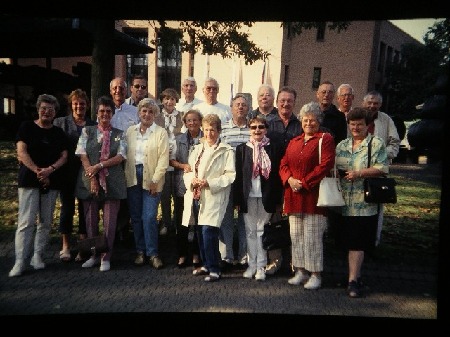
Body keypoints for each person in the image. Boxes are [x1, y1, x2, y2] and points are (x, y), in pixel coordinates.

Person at [9, 94, 69, 277]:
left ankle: (37, 256)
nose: (47, 112)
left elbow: (64, 156)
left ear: (55, 112)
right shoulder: (27, 127)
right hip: (29, 180)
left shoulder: (58, 133)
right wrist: (37, 171)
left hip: (51, 181)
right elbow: (21, 152)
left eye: (51, 109)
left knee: (45, 221)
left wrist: (49, 170)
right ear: (38, 109)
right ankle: (20, 261)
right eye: (43, 108)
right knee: (26, 222)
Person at [279, 102, 335, 290]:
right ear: (301, 121)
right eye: (305, 119)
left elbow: (325, 165)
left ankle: (316, 274)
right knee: (296, 236)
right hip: (293, 196)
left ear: (319, 121)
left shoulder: (324, 139)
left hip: (313, 197)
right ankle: (300, 271)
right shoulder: (294, 141)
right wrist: (290, 180)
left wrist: (303, 182)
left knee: (312, 237)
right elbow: (283, 164)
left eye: (313, 119)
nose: (309, 123)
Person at [335, 107, 389, 298]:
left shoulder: (376, 144)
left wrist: (359, 173)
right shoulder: (341, 145)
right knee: (347, 241)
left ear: (368, 125)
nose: (356, 127)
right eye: (352, 124)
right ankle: (352, 276)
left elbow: (382, 168)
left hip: (364, 203)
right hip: (342, 203)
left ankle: (353, 281)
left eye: (360, 124)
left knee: (357, 243)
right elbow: (335, 168)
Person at [75, 96, 127, 272]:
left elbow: (120, 156)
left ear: (112, 114)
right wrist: (92, 176)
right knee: (90, 220)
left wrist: (100, 166)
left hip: (113, 181)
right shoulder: (87, 131)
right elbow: (82, 154)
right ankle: (93, 255)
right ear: (96, 113)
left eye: (108, 111)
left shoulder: (120, 134)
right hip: (89, 181)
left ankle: (106, 257)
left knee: (109, 222)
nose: (105, 114)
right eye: (102, 111)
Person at [181, 114, 236, 282]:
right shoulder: (198, 149)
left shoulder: (226, 150)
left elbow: (230, 176)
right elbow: (188, 171)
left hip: (214, 196)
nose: (209, 133)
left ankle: (215, 269)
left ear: (219, 130)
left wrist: (209, 183)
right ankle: (205, 264)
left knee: (209, 232)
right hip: (196, 196)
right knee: (198, 231)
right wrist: (193, 181)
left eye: (212, 129)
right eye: (206, 130)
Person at [234, 115, 284, 281]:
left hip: (266, 196)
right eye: (254, 127)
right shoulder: (242, 149)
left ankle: (261, 266)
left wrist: (278, 201)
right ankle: (251, 264)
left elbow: (277, 176)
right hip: (248, 195)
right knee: (249, 231)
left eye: (261, 127)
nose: (257, 130)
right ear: (249, 129)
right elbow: (239, 176)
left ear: (266, 129)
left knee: (262, 230)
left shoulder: (274, 147)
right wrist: (237, 200)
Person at [124, 98, 169, 269]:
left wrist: (155, 181)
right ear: (139, 112)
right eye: (144, 111)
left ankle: (153, 253)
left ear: (155, 114)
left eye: (151, 111)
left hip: (152, 178)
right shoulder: (130, 131)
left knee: (149, 217)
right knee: (136, 217)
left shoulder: (160, 133)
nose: (147, 114)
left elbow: (164, 160)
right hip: (133, 176)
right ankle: (140, 251)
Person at [53, 89, 96, 262]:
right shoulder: (61, 123)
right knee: (67, 208)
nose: (79, 106)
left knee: (84, 209)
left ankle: (82, 247)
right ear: (71, 105)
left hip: (85, 172)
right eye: (76, 103)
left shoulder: (92, 125)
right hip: (67, 172)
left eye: (82, 104)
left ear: (87, 106)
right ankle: (65, 246)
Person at [265, 86, 302, 275]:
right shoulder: (268, 123)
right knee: (274, 221)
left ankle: (296, 262)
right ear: (277, 102)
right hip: (274, 181)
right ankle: (275, 260)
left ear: (294, 102)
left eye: (289, 100)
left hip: (296, 182)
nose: (285, 104)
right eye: (282, 100)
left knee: (296, 223)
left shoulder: (301, 124)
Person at [362, 90, 401, 246]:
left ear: (380, 104)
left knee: (376, 207)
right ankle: (355, 241)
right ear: (363, 103)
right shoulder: (356, 117)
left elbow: (395, 142)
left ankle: (373, 241)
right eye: (369, 102)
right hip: (357, 170)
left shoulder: (386, 120)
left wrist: (383, 154)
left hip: (378, 172)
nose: (372, 106)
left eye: (376, 103)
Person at [219, 94, 251, 270]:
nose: (240, 107)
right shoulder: (223, 129)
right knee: (226, 218)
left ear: (248, 109)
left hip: (246, 181)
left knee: (244, 219)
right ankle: (227, 256)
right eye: (237, 104)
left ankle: (244, 256)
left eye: (244, 105)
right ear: (231, 108)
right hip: (227, 180)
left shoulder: (253, 129)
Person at [169, 109, 203, 268]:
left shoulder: (206, 138)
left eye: (195, 120)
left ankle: (196, 253)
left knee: (198, 221)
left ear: (200, 121)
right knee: (181, 221)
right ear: (185, 123)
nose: (192, 123)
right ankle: (182, 254)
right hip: (183, 185)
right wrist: (183, 166)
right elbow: (171, 160)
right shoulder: (178, 139)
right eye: (189, 120)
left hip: (201, 186)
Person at [109, 77, 139, 243]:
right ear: (111, 90)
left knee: (127, 195)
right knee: (113, 195)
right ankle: (112, 232)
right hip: (110, 159)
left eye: (121, 88)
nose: (118, 91)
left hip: (129, 159)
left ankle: (124, 230)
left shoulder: (134, 112)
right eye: (115, 88)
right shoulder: (105, 110)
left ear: (126, 90)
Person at [154, 88, 184, 236]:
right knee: (165, 195)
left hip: (178, 159)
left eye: (172, 99)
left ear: (176, 101)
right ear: (162, 100)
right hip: (164, 161)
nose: (169, 101)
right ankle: (166, 223)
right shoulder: (157, 117)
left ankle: (179, 224)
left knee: (179, 195)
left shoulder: (182, 116)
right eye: (166, 99)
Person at [317, 81, 348, 145]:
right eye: (323, 92)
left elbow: (341, 142)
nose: (326, 95)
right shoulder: (311, 114)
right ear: (317, 94)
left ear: (334, 95)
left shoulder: (340, 117)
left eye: (330, 92)